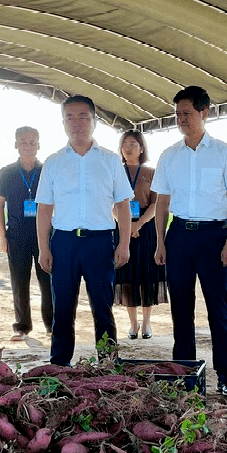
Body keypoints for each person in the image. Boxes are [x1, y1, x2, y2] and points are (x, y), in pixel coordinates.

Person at [153, 86, 227, 397]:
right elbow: (162, 204)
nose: (181, 119)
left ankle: (226, 376)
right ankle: (184, 375)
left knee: (219, 309)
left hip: (215, 237)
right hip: (178, 235)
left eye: (187, 113)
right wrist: (160, 243)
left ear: (204, 113)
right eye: (178, 114)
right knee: (181, 308)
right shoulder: (169, 156)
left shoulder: (224, 153)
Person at [36, 96, 132, 366]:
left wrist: (123, 243)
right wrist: (44, 247)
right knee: (63, 310)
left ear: (94, 121)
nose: (76, 123)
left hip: (100, 243)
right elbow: (44, 209)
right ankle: (59, 365)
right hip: (64, 243)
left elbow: (123, 205)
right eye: (70, 117)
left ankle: (108, 364)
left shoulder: (110, 160)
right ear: (63, 123)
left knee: (102, 308)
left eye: (83, 117)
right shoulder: (54, 162)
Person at [0, 127, 53, 341]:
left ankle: (51, 324)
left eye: (32, 142)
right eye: (23, 141)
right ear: (16, 144)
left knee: (47, 278)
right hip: (16, 233)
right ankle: (22, 326)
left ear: (38, 145)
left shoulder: (47, 169)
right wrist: (3, 236)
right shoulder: (6, 172)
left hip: (44, 233)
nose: (28, 145)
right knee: (19, 281)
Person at [113, 130, 167, 340]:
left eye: (133, 144)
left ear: (142, 148)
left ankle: (146, 323)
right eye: (125, 144)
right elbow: (112, 203)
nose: (129, 148)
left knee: (146, 275)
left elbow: (157, 203)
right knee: (127, 276)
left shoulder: (151, 172)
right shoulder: (115, 171)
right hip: (123, 229)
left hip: (146, 229)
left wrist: (139, 224)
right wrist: (126, 225)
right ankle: (132, 323)